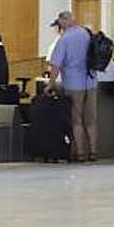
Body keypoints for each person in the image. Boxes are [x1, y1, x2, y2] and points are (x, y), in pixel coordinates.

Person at [47, 11, 99, 163]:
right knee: (91, 120)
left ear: (65, 21)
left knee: (76, 119)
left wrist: (50, 84)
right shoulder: (87, 34)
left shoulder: (64, 39)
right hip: (91, 81)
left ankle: (80, 153)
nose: (59, 27)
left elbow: (55, 65)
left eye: (59, 24)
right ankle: (93, 152)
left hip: (73, 84)